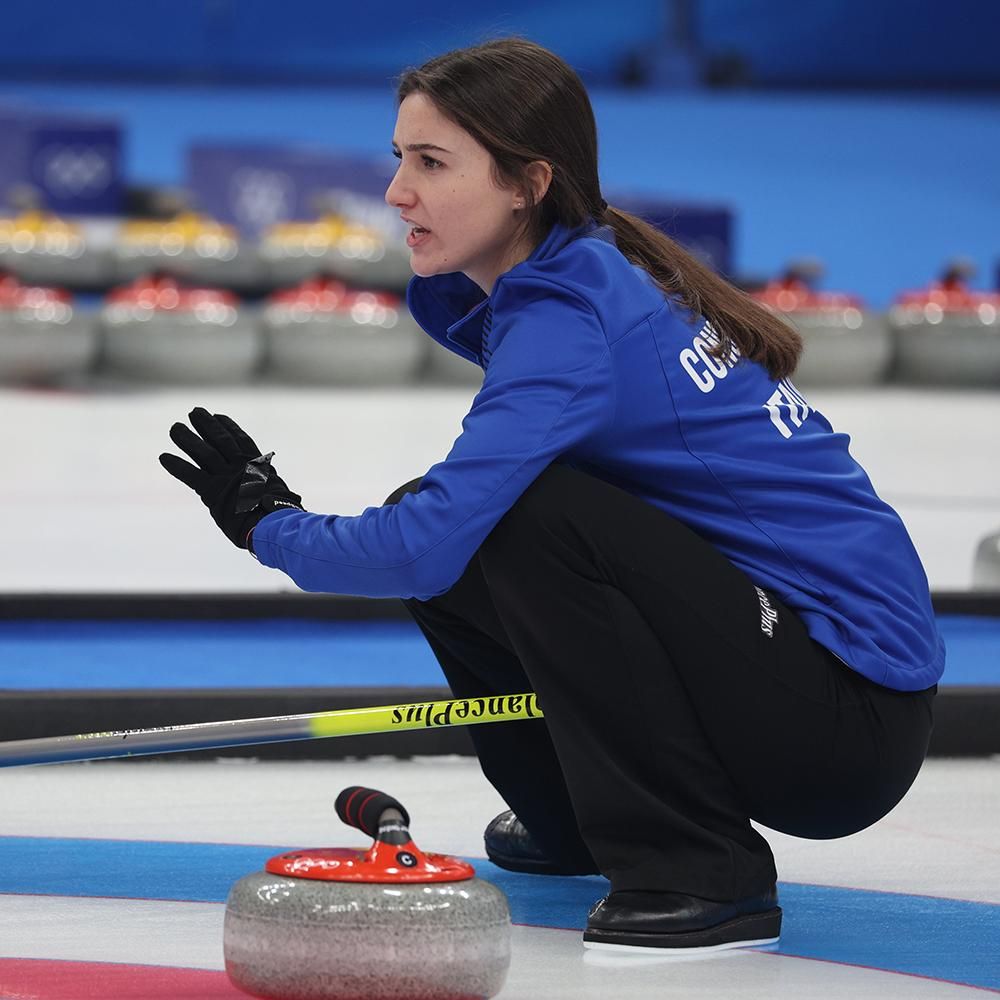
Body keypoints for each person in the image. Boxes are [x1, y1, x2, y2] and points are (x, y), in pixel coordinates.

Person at [159, 38, 944, 956]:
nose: (396, 192)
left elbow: (417, 547)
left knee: (519, 522)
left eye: (431, 163)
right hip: (801, 686)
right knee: (477, 530)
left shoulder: (569, 318)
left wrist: (269, 526)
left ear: (529, 182)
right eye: (399, 159)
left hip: (843, 725)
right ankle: (574, 814)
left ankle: (700, 872)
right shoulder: (580, 272)